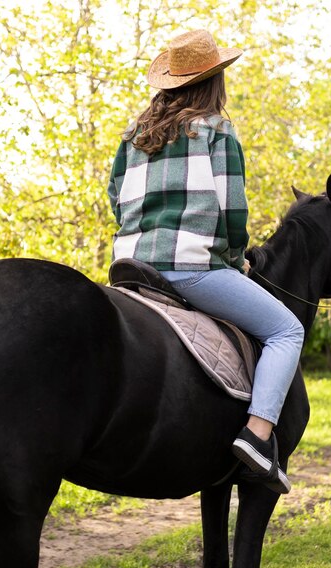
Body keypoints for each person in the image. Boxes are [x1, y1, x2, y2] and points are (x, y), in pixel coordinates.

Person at [107, 29, 304, 494]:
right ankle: (256, 437)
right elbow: (233, 211)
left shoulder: (132, 137)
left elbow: (117, 202)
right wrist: (236, 261)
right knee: (286, 330)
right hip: (191, 270)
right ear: (214, 81)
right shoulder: (217, 131)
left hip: (132, 269)